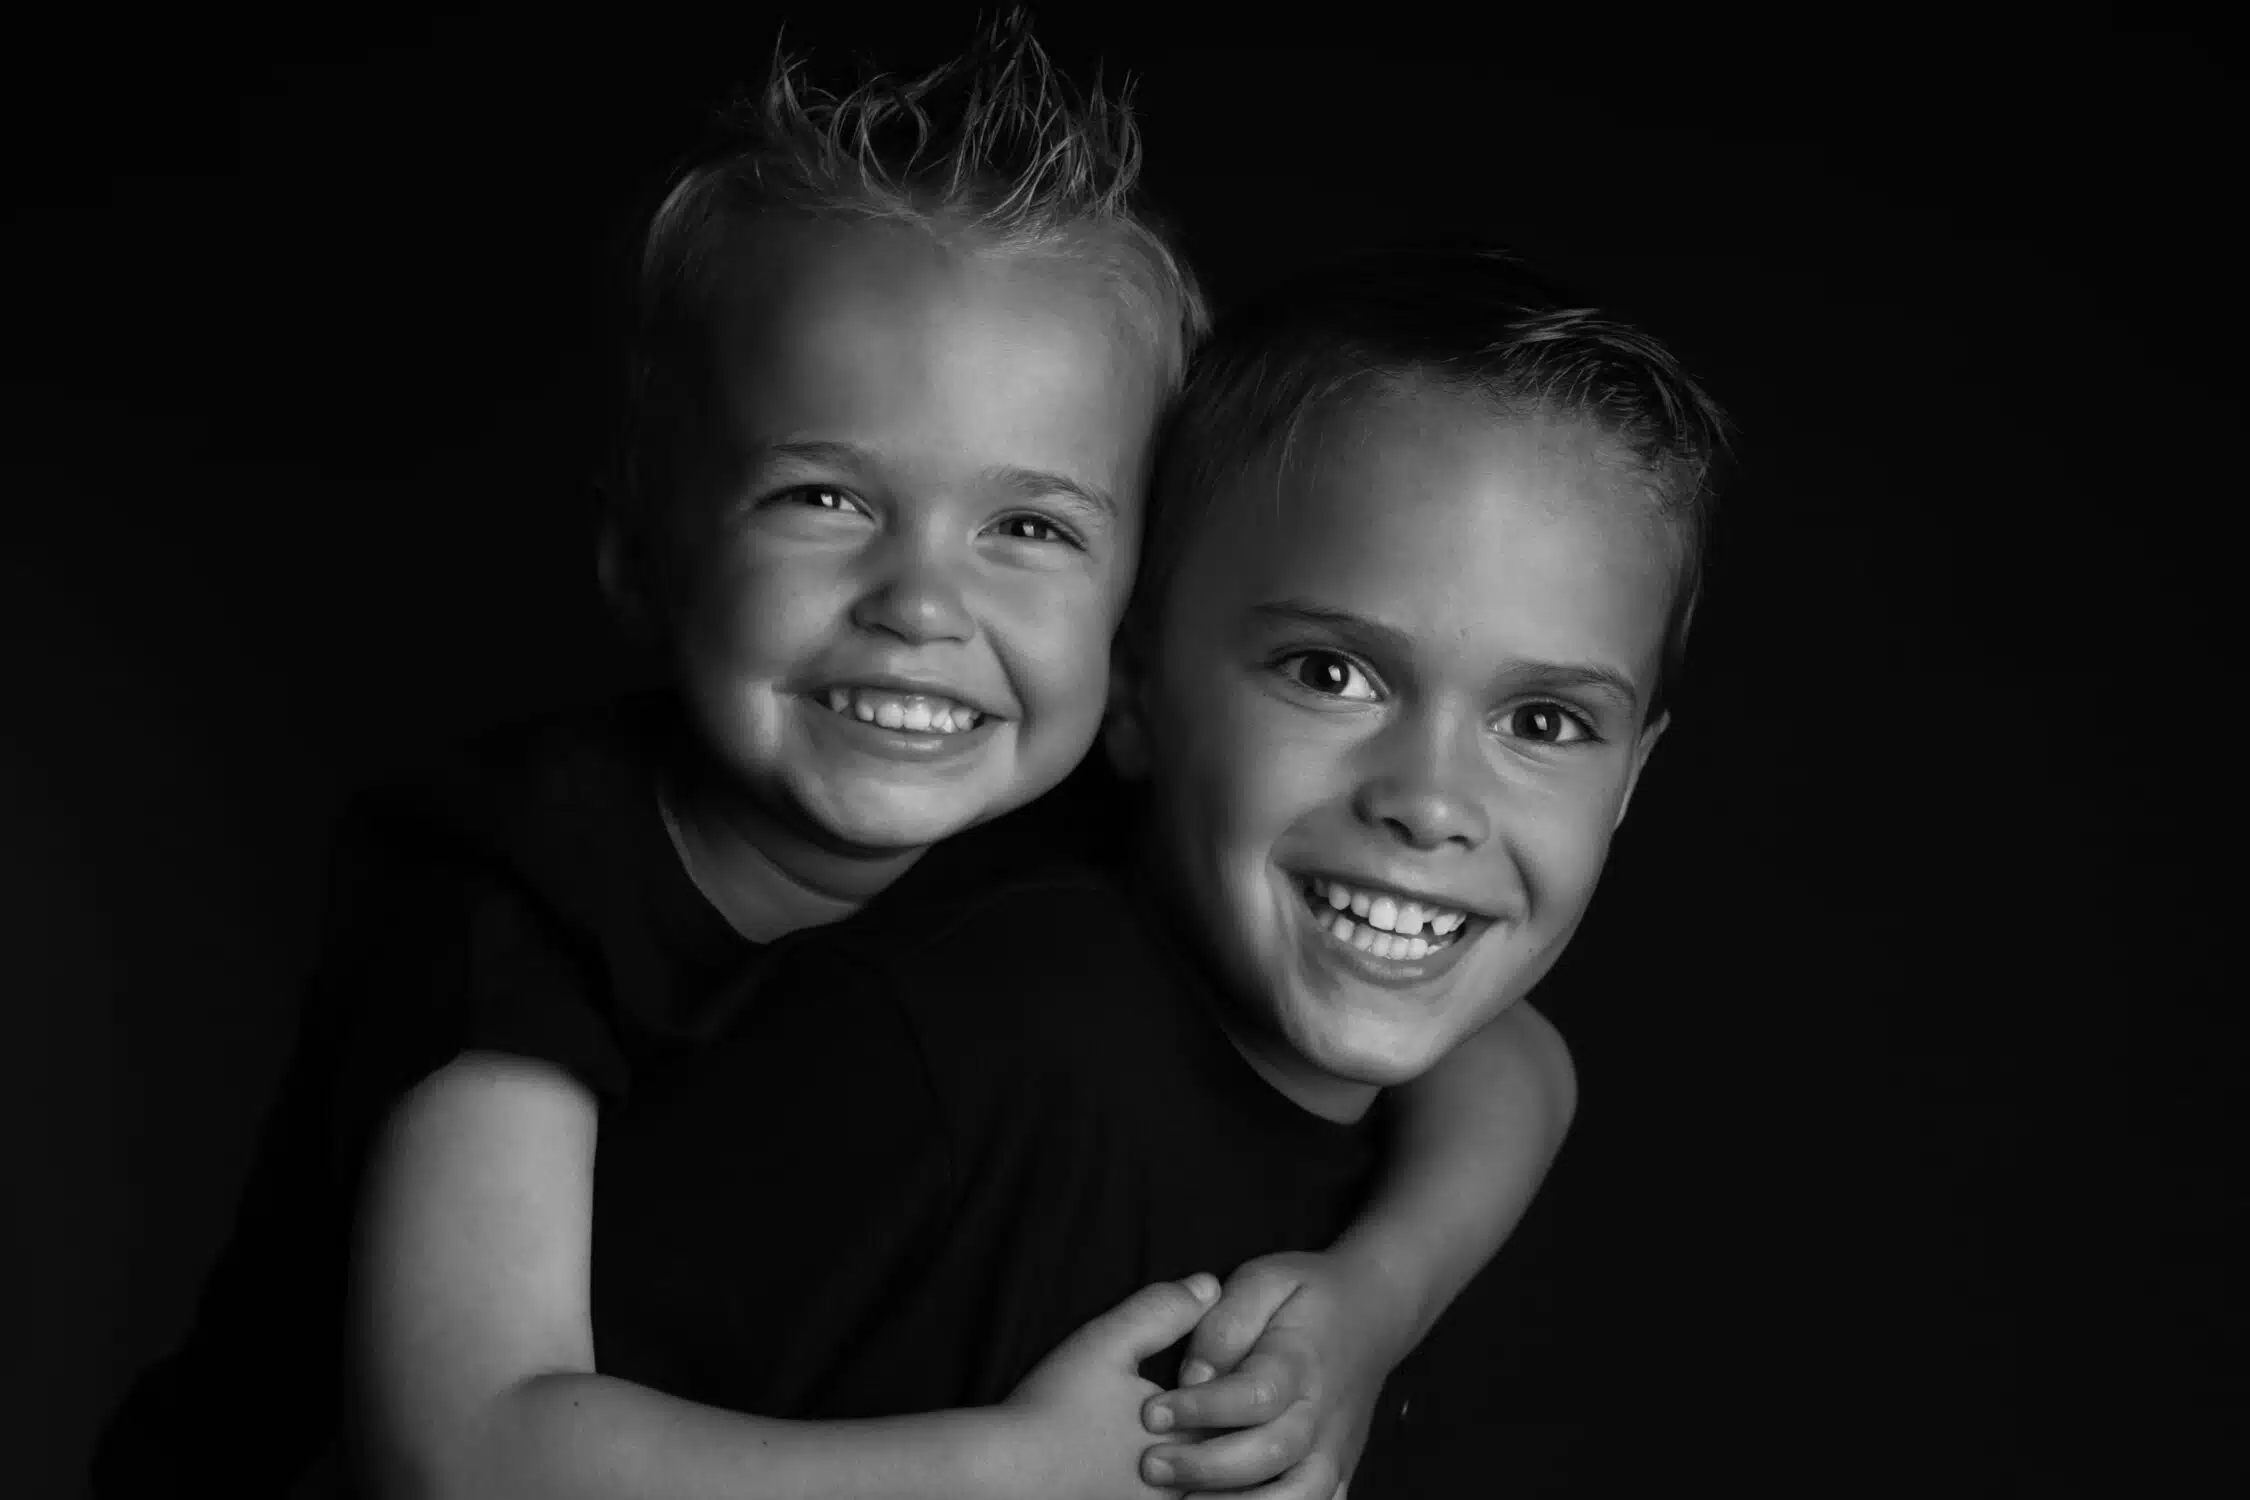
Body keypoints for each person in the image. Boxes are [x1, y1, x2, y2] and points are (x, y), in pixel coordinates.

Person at [95, 21, 1575, 1500]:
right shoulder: (522, 896)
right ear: (643, 545)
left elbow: (1510, 1055)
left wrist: (1371, 1302)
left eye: (1029, 528)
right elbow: (466, 1454)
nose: (923, 604)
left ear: (1133, 618)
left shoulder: (1080, 808)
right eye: (823, 498)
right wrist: (1010, 1472)